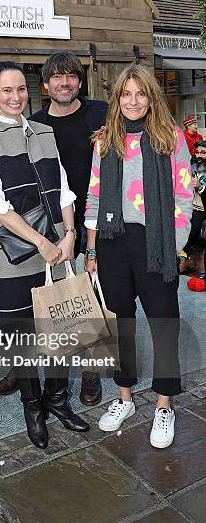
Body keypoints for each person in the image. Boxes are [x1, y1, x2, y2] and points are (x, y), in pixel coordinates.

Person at [0, 61, 89, 450]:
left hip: (59, 244)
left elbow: (65, 188)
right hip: (18, 252)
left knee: (62, 326)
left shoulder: (44, 131)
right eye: (6, 90)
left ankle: (57, 400)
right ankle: (33, 408)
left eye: (21, 89)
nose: (15, 97)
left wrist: (70, 233)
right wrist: (42, 242)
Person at [84, 64, 193, 449]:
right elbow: (94, 197)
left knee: (164, 322)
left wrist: (174, 243)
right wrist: (92, 248)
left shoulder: (170, 137)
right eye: (126, 94)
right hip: (113, 241)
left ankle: (165, 404)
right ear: (117, 99)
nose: (133, 101)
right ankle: (125, 396)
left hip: (157, 243)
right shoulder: (105, 140)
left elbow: (184, 195)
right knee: (121, 324)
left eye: (140, 94)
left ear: (151, 97)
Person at [0, 52, 108, 406]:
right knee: (42, 302)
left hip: (95, 220)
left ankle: (90, 374)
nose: (65, 82)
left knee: (90, 300)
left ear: (79, 81)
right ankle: (21, 370)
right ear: (46, 85)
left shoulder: (100, 114)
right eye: (57, 77)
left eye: (71, 76)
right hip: (52, 225)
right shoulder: (36, 123)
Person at [185, 140, 206, 291]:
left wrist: (201, 187)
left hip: (202, 209)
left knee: (193, 231)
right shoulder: (191, 167)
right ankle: (186, 261)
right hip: (189, 207)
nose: (199, 156)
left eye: (203, 153)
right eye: (197, 152)